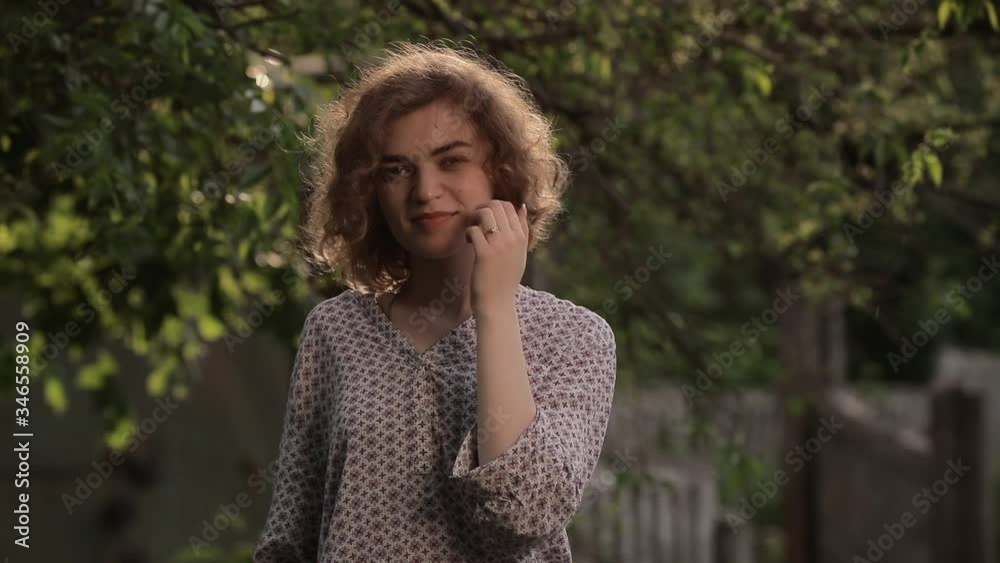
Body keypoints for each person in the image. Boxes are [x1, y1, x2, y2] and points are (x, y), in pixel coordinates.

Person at [253, 41, 617, 563]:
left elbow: (524, 514)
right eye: (395, 170)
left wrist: (494, 309)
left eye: (452, 161)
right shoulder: (334, 331)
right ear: (370, 191)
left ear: (501, 171)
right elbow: (289, 541)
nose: (425, 190)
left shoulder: (573, 337)